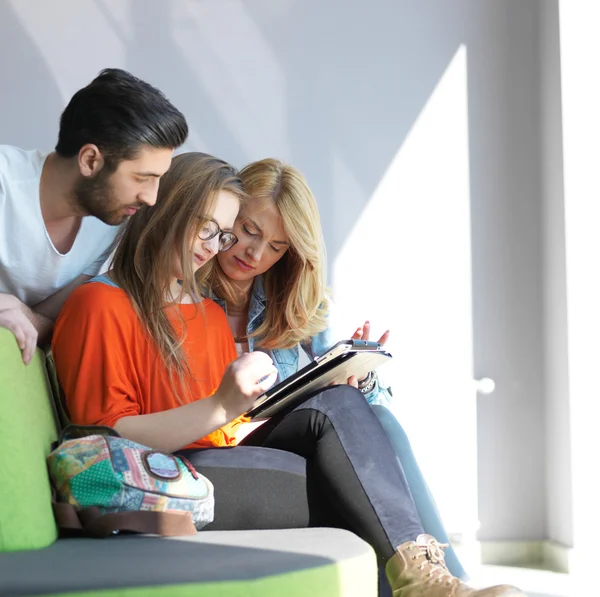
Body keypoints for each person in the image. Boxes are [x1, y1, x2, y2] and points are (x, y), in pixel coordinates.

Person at [52, 152, 522, 597]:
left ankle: (425, 578)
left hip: (218, 465)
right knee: (354, 486)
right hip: (157, 477)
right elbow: (105, 436)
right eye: (212, 229)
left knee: (341, 410)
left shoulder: (209, 316)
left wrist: (270, 403)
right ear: (166, 210)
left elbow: (228, 432)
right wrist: (221, 405)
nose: (215, 247)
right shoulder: (100, 303)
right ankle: (432, 583)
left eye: (220, 234)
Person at [209, 158, 467, 579]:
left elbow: (361, 404)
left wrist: (359, 376)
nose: (254, 254)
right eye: (249, 230)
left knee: (375, 414)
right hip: (221, 438)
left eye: (276, 246)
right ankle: (447, 580)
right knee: (353, 449)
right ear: (227, 214)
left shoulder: (295, 300)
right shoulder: (185, 289)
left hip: (281, 434)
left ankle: (438, 579)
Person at [0, 68, 187, 364]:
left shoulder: (108, 226)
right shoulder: (5, 182)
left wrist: (25, 315)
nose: (151, 198)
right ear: (90, 160)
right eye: (142, 178)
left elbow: (53, 324)